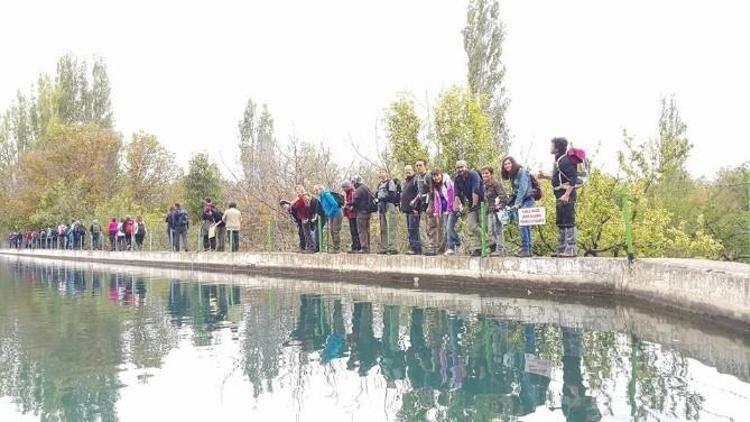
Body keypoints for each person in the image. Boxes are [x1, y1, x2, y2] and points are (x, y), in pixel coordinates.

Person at [539, 137, 579, 257]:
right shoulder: (559, 160)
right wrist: (545, 176)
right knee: (561, 221)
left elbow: (573, 177)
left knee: (568, 220)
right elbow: (560, 177)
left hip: (566, 194)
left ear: (557, 147)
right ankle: (562, 248)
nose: (550, 148)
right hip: (559, 193)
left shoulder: (565, 160)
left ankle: (571, 248)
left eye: (552, 145)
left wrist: (567, 194)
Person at [501, 156, 535, 257]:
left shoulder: (521, 171)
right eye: (505, 164)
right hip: (520, 201)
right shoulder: (512, 175)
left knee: (523, 223)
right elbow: (516, 191)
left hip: (527, 200)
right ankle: (527, 249)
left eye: (508, 163)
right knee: (524, 224)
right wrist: (508, 201)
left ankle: (526, 249)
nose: (507, 165)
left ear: (513, 163)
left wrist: (518, 202)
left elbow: (523, 188)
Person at [448, 160, 483, 256]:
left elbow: (475, 190)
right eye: (458, 168)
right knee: (472, 226)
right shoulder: (457, 179)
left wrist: (475, 205)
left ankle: (488, 243)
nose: (460, 169)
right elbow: (457, 195)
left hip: (482, 202)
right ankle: (478, 247)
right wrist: (456, 208)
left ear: (466, 166)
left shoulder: (473, 174)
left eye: (462, 167)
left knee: (483, 225)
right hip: (472, 204)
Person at [481, 165, 509, 256]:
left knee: (497, 230)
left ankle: (500, 249)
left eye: (487, 173)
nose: (485, 175)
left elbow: (503, 196)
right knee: (491, 231)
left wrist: (500, 206)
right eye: (483, 173)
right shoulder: (484, 186)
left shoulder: (496, 184)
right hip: (489, 211)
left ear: (491, 174)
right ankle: (493, 249)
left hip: (497, 211)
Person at [413, 159, 436, 255]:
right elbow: (420, 192)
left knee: (431, 227)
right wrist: (415, 202)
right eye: (417, 165)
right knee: (422, 228)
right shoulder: (418, 178)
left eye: (420, 165)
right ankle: (426, 247)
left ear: (425, 166)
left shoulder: (428, 176)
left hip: (430, 205)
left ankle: (433, 248)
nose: (418, 167)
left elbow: (432, 191)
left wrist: (430, 206)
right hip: (422, 206)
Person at [429, 168, 454, 255]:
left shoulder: (447, 182)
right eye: (434, 176)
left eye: (437, 175)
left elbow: (451, 196)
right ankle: (441, 249)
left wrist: (449, 209)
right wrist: (436, 211)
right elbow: (436, 199)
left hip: (450, 208)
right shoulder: (435, 186)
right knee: (441, 229)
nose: (436, 178)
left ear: (441, 175)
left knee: (448, 228)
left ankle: (450, 247)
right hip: (441, 210)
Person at [314, 184, 343, 253]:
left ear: (321, 189)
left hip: (337, 213)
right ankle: (335, 247)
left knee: (335, 230)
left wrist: (329, 213)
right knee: (332, 231)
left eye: (317, 190)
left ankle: (337, 248)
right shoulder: (321, 197)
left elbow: (335, 204)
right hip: (331, 215)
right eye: (315, 191)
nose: (316, 192)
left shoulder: (326, 195)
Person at [376, 169, 399, 255]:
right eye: (380, 172)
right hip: (381, 207)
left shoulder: (390, 182)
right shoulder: (379, 184)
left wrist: (381, 198)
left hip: (389, 205)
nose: (381, 174)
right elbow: (377, 194)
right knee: (383, 228)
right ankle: (384, 247)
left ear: (386, 173)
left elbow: (392, 195)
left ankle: (393, 247)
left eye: (382, 172)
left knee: (391, 227)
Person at [401, 165, 422, 255]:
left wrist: (416, 208)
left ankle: (416, 249)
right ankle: (413, 247)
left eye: (409, 170)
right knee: (410, 229)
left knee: (413, 229)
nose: (407, 171)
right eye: (406, 170)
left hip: (414, 210)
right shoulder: (407, 181)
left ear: (413, 171)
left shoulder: (415, 180)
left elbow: (419, 194)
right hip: (407, 210)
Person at [352, 175, 375, 254]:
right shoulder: (366, 188)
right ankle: (367, 247)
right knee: (366, 229)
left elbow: (355, 201)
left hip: (361, 211)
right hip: (368, 211)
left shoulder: (359, 189)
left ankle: (364, 247)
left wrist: (352, 206)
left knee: (361, 230)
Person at [341, 181, 361, 253]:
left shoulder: (352, 192)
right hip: (350, 215)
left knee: (355, 230)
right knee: (352, 231)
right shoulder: (347, 194)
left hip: (354, 215)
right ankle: (354, 245)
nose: (343, 189)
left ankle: (357, 246)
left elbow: (353, 204)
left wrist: (347, 205)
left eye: (344, 187)